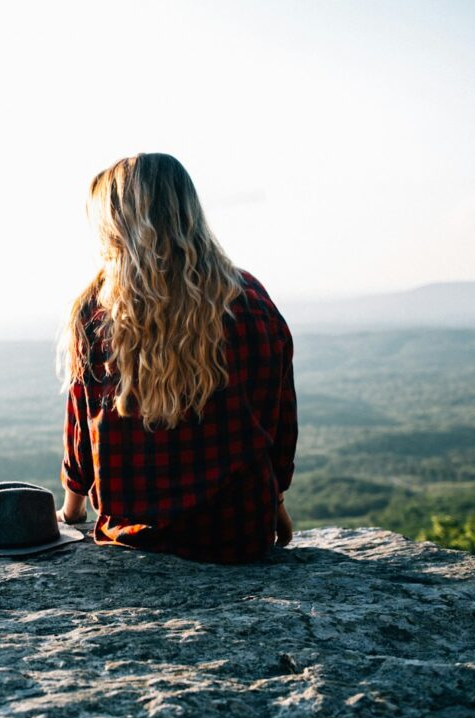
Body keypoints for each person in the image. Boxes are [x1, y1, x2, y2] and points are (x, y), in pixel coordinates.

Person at [55, 153, 297, 564]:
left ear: (114, 227)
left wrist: (70, 514)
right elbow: (275, 422)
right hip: (238, 534)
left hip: (134, 539)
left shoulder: (96, 310)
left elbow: (83, 438)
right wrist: (274, 506)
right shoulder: (249, 299)